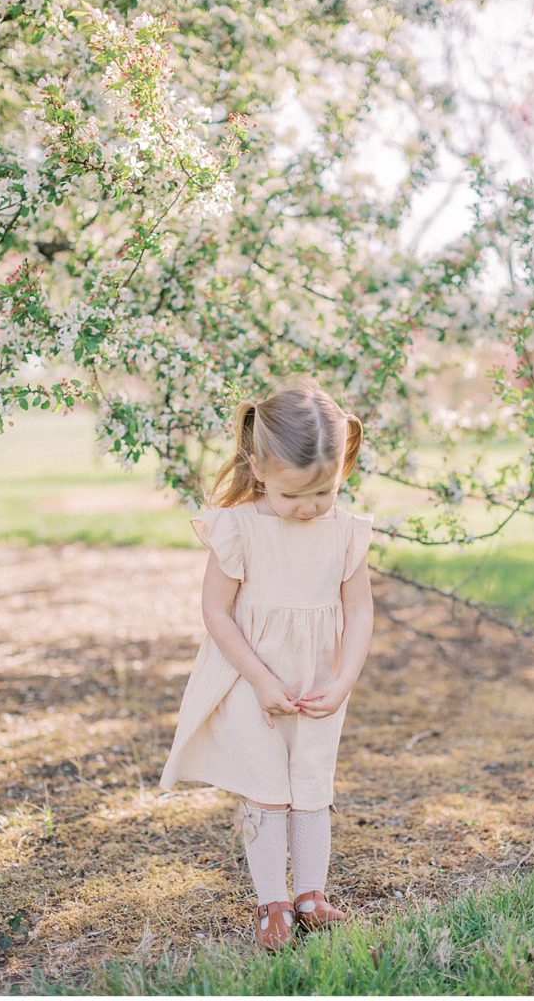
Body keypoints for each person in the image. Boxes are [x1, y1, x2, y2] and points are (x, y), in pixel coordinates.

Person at [160, 374, 374, 951]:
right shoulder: (240, 528)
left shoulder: (347, 531)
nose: (308, 509)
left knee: (311, 786)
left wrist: (344, 679)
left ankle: (310, 895)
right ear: (258, 467)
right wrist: (258, 678)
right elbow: (216, 611)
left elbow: (360, 615)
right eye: (292, 496)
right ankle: (271, 902)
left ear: (343, 468)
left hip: (319, 684)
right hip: (253, 680)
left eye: (322, 494)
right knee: (265, 789)